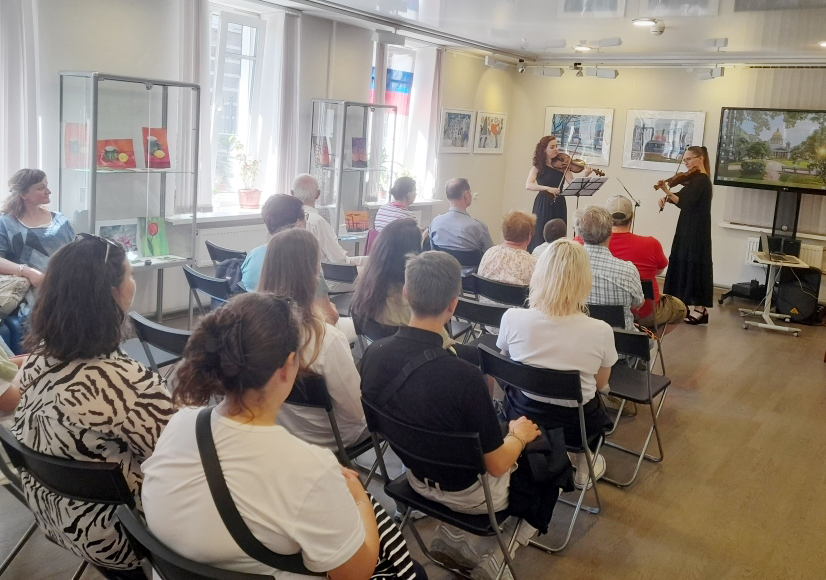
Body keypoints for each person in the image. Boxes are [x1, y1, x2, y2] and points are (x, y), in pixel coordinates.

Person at [141, 293, 413, 580]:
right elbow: (355, 573)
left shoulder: (180, 424)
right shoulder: (307, 468)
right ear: (289, 366)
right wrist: (358, 496)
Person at [360, 251, 542, 580]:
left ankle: (456, 535)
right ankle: (501, 554)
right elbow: (497, 465)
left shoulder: (373, 354)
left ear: (406, 293)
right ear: (453, 304)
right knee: (547, 460)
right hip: (470, 495)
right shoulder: (464, 376)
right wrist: (519, 435)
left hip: (415, 478)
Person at [11, 235, 173, 576]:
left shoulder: (38, 360)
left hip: (56, 514)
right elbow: (179, 460)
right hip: (121, 536)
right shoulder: (128, 384)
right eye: (130, 275)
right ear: (113, 294)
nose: (133, 281)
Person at [497, 239, 617, 489]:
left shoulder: (512, 318)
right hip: (576, 427)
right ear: (584, 280)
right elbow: (600, 384)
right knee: (592, 402)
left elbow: (506, 364)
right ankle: (583, 466)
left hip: (524, 415)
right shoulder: (600, 330)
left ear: (540, 274)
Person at [258, 228, 368, 449]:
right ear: (312, 274)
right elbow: (357, 413)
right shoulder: (326, 339)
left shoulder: (253, 331)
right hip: (332, 439)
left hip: (278, 431)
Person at [240, 194, 353, 340]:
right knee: (355, 325)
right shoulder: (306, 262)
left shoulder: (252, 256)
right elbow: (330, 317)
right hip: (301, 334)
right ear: (298, 223)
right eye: (305, 216)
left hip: (262, 332)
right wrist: (333, 308)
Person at [604, 195, 685, 331]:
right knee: (679, 308)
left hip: (598, 311)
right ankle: (645, 339)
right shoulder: (651, 244)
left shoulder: (583, 242)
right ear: (632, 217)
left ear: (605, 218)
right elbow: (658, 271)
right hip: (642, 313)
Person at [350, 218, 435, 340]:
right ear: (414, 253)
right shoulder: (414, 304)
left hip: (379, 349)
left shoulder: (365, 290)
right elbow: (443, 342)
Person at [658, 145, 714, 324]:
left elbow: (685, 202)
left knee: (694, 262)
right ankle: (683, 304)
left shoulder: (702, 180)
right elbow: (682, 196)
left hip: (697, 228)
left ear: (700, 158)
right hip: (687, 225)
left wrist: (667, 192)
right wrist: (667, 197)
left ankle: (701, 309)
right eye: (684, 160)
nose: (686, 163)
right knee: (683, 259)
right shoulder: (694, 179)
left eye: (689, 159)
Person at [0, 169, 75, 288]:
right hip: (24, 293)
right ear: (23, 194)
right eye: (41, 188)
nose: (48, 191)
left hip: (63, 289)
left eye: (46, 186)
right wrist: (28, 272)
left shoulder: (60, 220)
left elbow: (75, 255)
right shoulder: (5, 222)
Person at [573, 205, 643, 331]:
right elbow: (637, 304)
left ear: (580, 234)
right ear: (611, 231)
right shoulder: (628, 271)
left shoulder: (567, 267)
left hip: (579, 335)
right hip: (621, 340)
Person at [525, 136, 592, 252]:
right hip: (543, 203)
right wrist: (547, 188)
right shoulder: (538, 167)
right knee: (540, 232)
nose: (556, 149)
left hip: (559, 202)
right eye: (552, 147)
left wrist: (585, 175)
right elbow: (528, 185)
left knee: (558, 235)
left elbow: (572, 182)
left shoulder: (562, 166)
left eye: (556, 146)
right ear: (544, 150)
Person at [291, 173, 368, 266]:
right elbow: (338, 259)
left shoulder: (287, 218)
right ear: (318, 194)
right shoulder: (317, 222)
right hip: (322, 272)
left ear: (292, 193)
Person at [429, 178, 493, 254]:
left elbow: (432, 252)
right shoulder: (477, 227)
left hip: (441, 262)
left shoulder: (435, 223)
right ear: (466, 194)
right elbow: (491, 254)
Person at [477, 211, 537, 286]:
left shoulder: (489, 253)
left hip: (485, 293)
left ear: (504, 232)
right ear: (529, 236)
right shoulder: (533, 264)